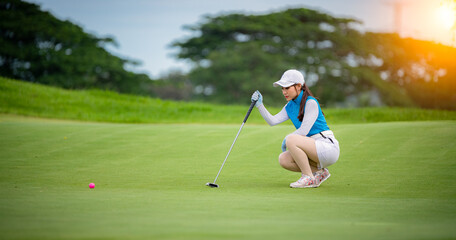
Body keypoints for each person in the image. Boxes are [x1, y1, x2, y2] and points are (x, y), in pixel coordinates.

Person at [251, 69, 340, 188]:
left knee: (292, 139)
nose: (284, 92)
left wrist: (287, 139)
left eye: (287, 88)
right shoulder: (290, 106)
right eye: (282, 88)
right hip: (313, 148)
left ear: (299, 86)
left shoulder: (311, 102)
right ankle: (319, 172)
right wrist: (259, 105)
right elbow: (273, 121)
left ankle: (308, 177)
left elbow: (304, 131)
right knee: (284, 159)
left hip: (327, 148)